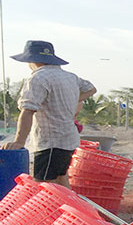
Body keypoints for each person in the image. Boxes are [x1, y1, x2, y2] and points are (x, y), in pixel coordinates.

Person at [2, 40, 96, 187]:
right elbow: (91, 89)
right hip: (68, 140)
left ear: (32, 60)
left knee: (44, 185)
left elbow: (27, 111)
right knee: (61, 178)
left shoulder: (37, 78)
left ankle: (54, 210)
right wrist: (74, 100)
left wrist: (19, 141)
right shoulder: (69, 77)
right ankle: (69, 208)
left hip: (51, 141)